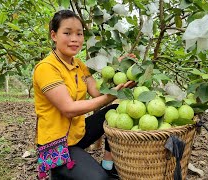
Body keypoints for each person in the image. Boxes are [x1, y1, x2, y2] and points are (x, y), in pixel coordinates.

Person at [33, 10, 135, 180]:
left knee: (115, 112)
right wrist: (110, 96)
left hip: (77, 134)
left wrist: (120, 69)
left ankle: (108, 165)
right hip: (53, 146)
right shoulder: (46, 68)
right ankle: (57, 171)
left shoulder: (79, 65)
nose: (75, 39)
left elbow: (96, 92)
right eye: (67, 33)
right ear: (54, 35)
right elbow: (69, 109)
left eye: (79, 34)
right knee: (99, 179)